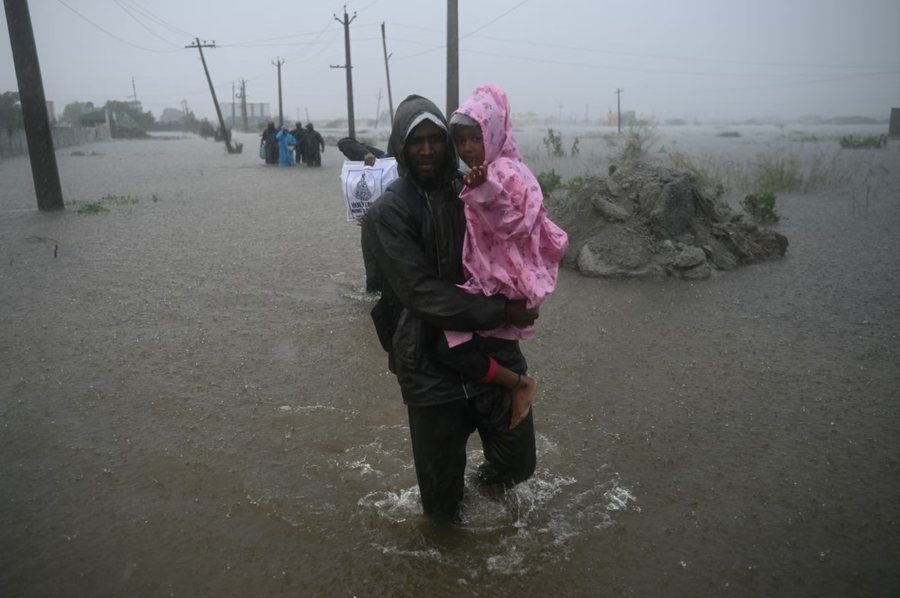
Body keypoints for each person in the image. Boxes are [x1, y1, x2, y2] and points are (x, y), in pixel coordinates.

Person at [366, 94, 541, 522]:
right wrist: (502, 311)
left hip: (491, 351)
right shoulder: (387, 212)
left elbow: (516, 237)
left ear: (449, 142)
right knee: (441, 508)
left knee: (519, 465)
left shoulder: (475, 189)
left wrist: (529, 290)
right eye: (415, 141)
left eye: (435, 139)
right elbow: (420, 293)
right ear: (401, 148)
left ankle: (484, 496)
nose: (427, 149)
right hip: (429, 366)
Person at [441, 84, 568, 370]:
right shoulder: (483, 170)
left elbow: (518, 224)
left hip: (504, 280)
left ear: (494, 133)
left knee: (473, 344)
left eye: (476, 138)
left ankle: (517, 387)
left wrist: (485, 190)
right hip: (489, 274)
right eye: (461, 141)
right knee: (471, 343)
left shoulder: (509, 172)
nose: (467, 148)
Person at [338, 137, 390, 293]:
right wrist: (365, 154)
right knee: (374, 281)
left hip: (398, 230)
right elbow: (344, 142)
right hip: (371, 228)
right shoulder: (383, 159)